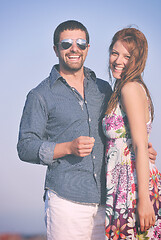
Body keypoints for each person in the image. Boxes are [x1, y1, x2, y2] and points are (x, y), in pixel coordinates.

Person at [17, 20, 157, 240]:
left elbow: (120, 132)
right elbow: (25, 146)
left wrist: (138, 148)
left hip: (109, 200)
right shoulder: (40, 95)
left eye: (81, 43)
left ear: (88, 48)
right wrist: (67, 148)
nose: (74, 48)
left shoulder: (104, 88)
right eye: (66, 43)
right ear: (56, 49)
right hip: (66, 201)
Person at [102, 27, 161, 239]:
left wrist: (144, 200)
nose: (118, 61)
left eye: (127, 56)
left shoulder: (129, 89)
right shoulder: (123, 89)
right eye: (115, 53)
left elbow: (138, 145)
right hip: (125, 185)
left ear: (138, 61)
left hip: (134, 187)